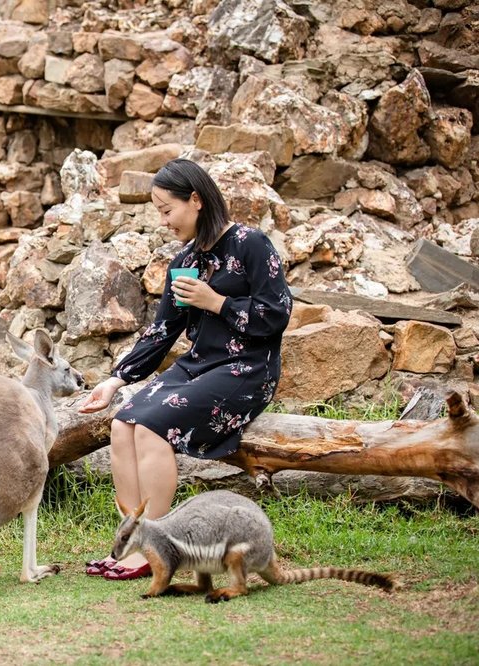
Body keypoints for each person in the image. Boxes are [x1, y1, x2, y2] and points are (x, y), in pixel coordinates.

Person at [79, 158, 292, 580]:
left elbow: (277, 315)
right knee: (122, 423)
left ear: (195, 200)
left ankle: (155, 549)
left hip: (247, 370)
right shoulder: (185, 261)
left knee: (151, 428)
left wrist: (217, 302)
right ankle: (131, 540)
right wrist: (115, 379)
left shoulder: (252, 244)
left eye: (165, 210)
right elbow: (162, 332)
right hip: (199, 366)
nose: (163, 221)